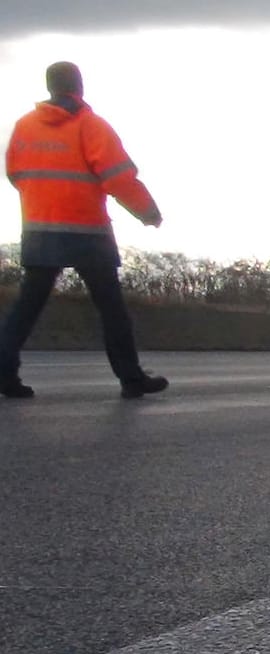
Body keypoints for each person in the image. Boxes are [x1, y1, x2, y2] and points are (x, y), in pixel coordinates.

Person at [1, 61, 168, 400]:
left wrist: (42, 201)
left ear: (49, 87)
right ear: (79, 87)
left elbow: (15, 173)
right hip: (87, 230)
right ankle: (130, 378)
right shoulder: (91, 126)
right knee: (110, 307)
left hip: (40, 227)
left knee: (27, 305)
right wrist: (147, 212)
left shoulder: (24, 127)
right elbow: (119, 177)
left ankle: (4, 372)